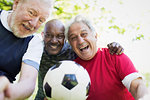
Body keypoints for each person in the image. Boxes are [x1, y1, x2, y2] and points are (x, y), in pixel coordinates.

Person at [35, 19, 124, 100]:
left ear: (65, 38)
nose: (54, 40)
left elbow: (91, 50)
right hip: (42, 96)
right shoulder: (37, 49)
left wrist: (114, 46)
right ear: (43, 35)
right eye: (49, 35)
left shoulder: (73, 50)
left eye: (59, 36)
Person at [65, 15, 149, 100]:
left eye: (84, 34)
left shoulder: (114, 56)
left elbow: (137, 85)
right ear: (70, 44)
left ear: (95, 36)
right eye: (73, 38)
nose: (80, 41)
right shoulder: (70, 71)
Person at [0, 0, 53, 99]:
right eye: (31, 13)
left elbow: (28, 82)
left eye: (41, 20)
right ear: (16, 4)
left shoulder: (34, 42)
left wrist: (8, 91)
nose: (33, 24)